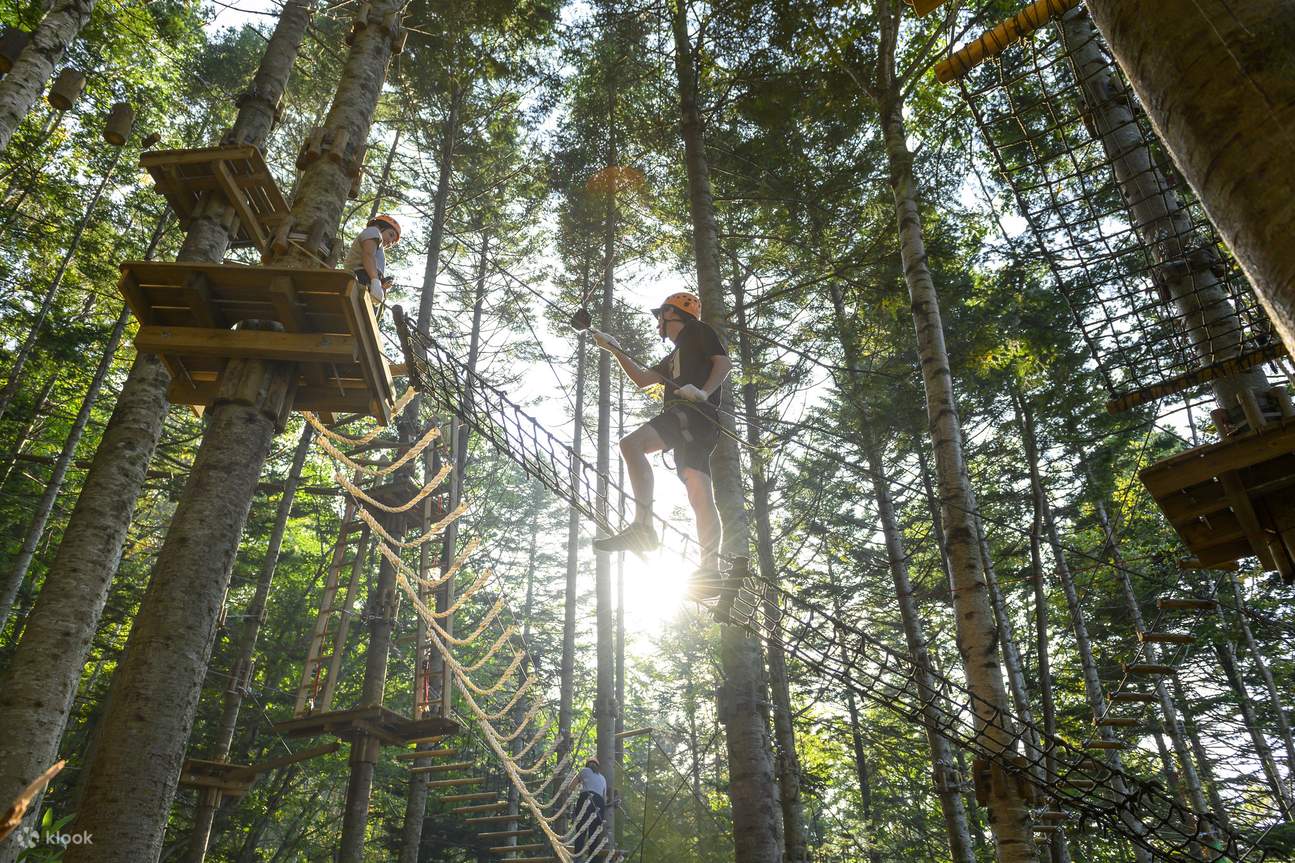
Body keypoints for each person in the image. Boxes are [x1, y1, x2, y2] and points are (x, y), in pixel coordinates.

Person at [589, 291, 732, 599]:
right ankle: (711, 568)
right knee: (698, 487)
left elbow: (722, 363)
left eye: (659, 316)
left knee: (632, 445)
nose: (657, 323)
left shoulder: (697, 331)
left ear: (671, 314)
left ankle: (643, 526)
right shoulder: (673, 357)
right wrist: (614, 349)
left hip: (692, 412)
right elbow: (642, 379)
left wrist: (705, 392)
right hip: (694, 422)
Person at [343, 213, 400, 304]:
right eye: (391, 234)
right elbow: (368, 255)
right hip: (359, 278)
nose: (390, 242)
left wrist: (382, 286)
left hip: (365, 282)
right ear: (382, 226)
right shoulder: (374, 231)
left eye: (392, 243)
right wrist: (375, 281)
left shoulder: (378, 246)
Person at [569, 756, 607, 858]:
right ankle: (593, 860)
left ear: (587, 765)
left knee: (581, 831)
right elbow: (604, 798)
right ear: (597, 767)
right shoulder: (603, 778)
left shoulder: (584, 770)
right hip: (600, 804)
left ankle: (577, 859)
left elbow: (571, 786)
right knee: (594, 835)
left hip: (587, 799)